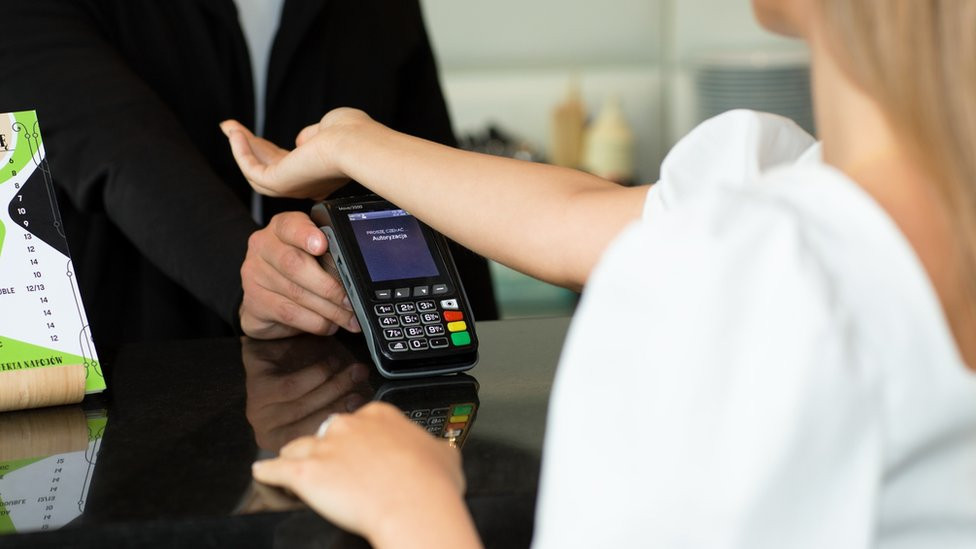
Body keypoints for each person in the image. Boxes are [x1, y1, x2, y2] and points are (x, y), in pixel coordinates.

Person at [222, 0, 976, 546]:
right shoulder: (804, 202)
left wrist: (412, 508)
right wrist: (355, 143)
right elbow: (582, 214)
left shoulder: (744, 276)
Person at [0, 0, 498, 351]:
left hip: (351, 372)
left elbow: (426, 162)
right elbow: (117, 146)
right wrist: (250, 275)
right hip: (133, 367)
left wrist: (483, 347)